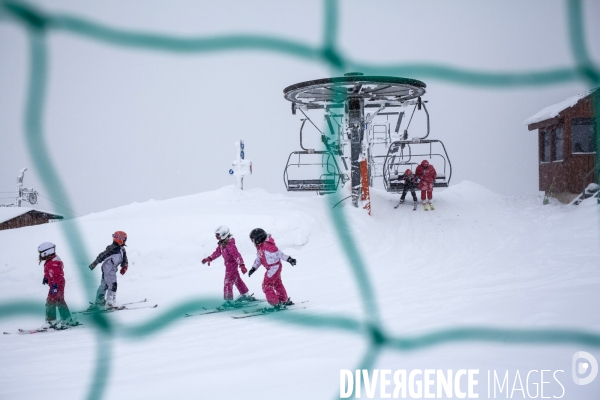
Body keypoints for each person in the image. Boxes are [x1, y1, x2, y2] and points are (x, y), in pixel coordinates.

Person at [202, 226, 253, 307]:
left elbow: (237, 255)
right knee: (237, 280)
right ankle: (245, 294)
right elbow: (217, 252)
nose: (217, 237)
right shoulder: (222, 244)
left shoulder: (230, 245)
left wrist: (242, 265)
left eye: (218, 235)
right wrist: (209, 258)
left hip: (232, 265)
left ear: (224, 235)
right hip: (228, 265)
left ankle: (229, 301)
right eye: (216, 236)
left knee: (228, 282)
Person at [248, 228, 296, 310]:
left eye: (253, 240)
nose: (252, 242)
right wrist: (253, 268)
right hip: (273, 268)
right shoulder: (260, 247)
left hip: (273, 268)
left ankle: (275, 304)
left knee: (266, 286)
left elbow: (280, 254)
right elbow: (259, 259)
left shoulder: (268, 247)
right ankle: (283, 300)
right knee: (277, 283)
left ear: (257, 239)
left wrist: (289, 259)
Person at [38, 242, 78, 329]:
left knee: (50, 302)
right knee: (59, 301)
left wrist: (55, 286)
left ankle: (51, 321)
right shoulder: (52, 260)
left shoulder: (53, 262)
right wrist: (46, 277)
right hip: (57, 283)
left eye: (40, 253)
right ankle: (67, 319)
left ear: (46, 252)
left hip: (57, 284)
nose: (40, 255)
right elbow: (52, 272)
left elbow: (57, 275)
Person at [88, 231, 129, 310]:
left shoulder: (122, 249)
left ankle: (99, 302)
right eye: (123, 239)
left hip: (111, 269)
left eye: (125, 239)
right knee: (113, 284)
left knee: (104, 285)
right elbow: (102, 255)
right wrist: (95, 263)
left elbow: (125, 258)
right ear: (118, 239)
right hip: (108, 269)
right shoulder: (112, 248)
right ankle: (110, 302)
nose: (124, 241)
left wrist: (124, 266)